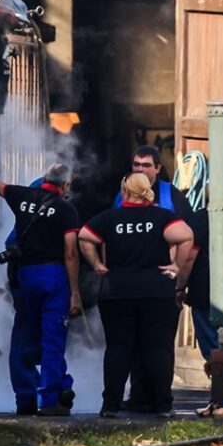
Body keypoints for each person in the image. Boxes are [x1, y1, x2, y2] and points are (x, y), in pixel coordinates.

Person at [0, 149, 81, 416]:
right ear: (65, 185)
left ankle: (25, 398)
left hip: (25, 277)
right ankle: (51, 400)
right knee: (52, 340)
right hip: (53, 276)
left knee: (23, 335)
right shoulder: (66, 210)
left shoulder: (22, 196)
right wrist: (75, 292)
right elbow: (70, 252)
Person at [79, 173, 194, 417]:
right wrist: (176, 266)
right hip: (155, 291)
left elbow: (85, 236)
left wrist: (97, 264)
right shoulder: (162, 217)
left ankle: (110, 405)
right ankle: (163, 406)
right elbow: (185, 236)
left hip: (116, 290)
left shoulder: (111, 218)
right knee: (157, 349)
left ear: (125, 192)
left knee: (118, 348)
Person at [114, 144, 198, 409]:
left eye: (146, 165)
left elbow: (191, 241)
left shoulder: (172, 198)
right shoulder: (121, 197)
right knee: (134, 343)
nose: (140, 169)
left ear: (158, 169)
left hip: (163, 282)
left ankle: (161, 398)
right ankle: (139, 396)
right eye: (136, 165)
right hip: (130, 282)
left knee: (160, 343)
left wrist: (179, 279)